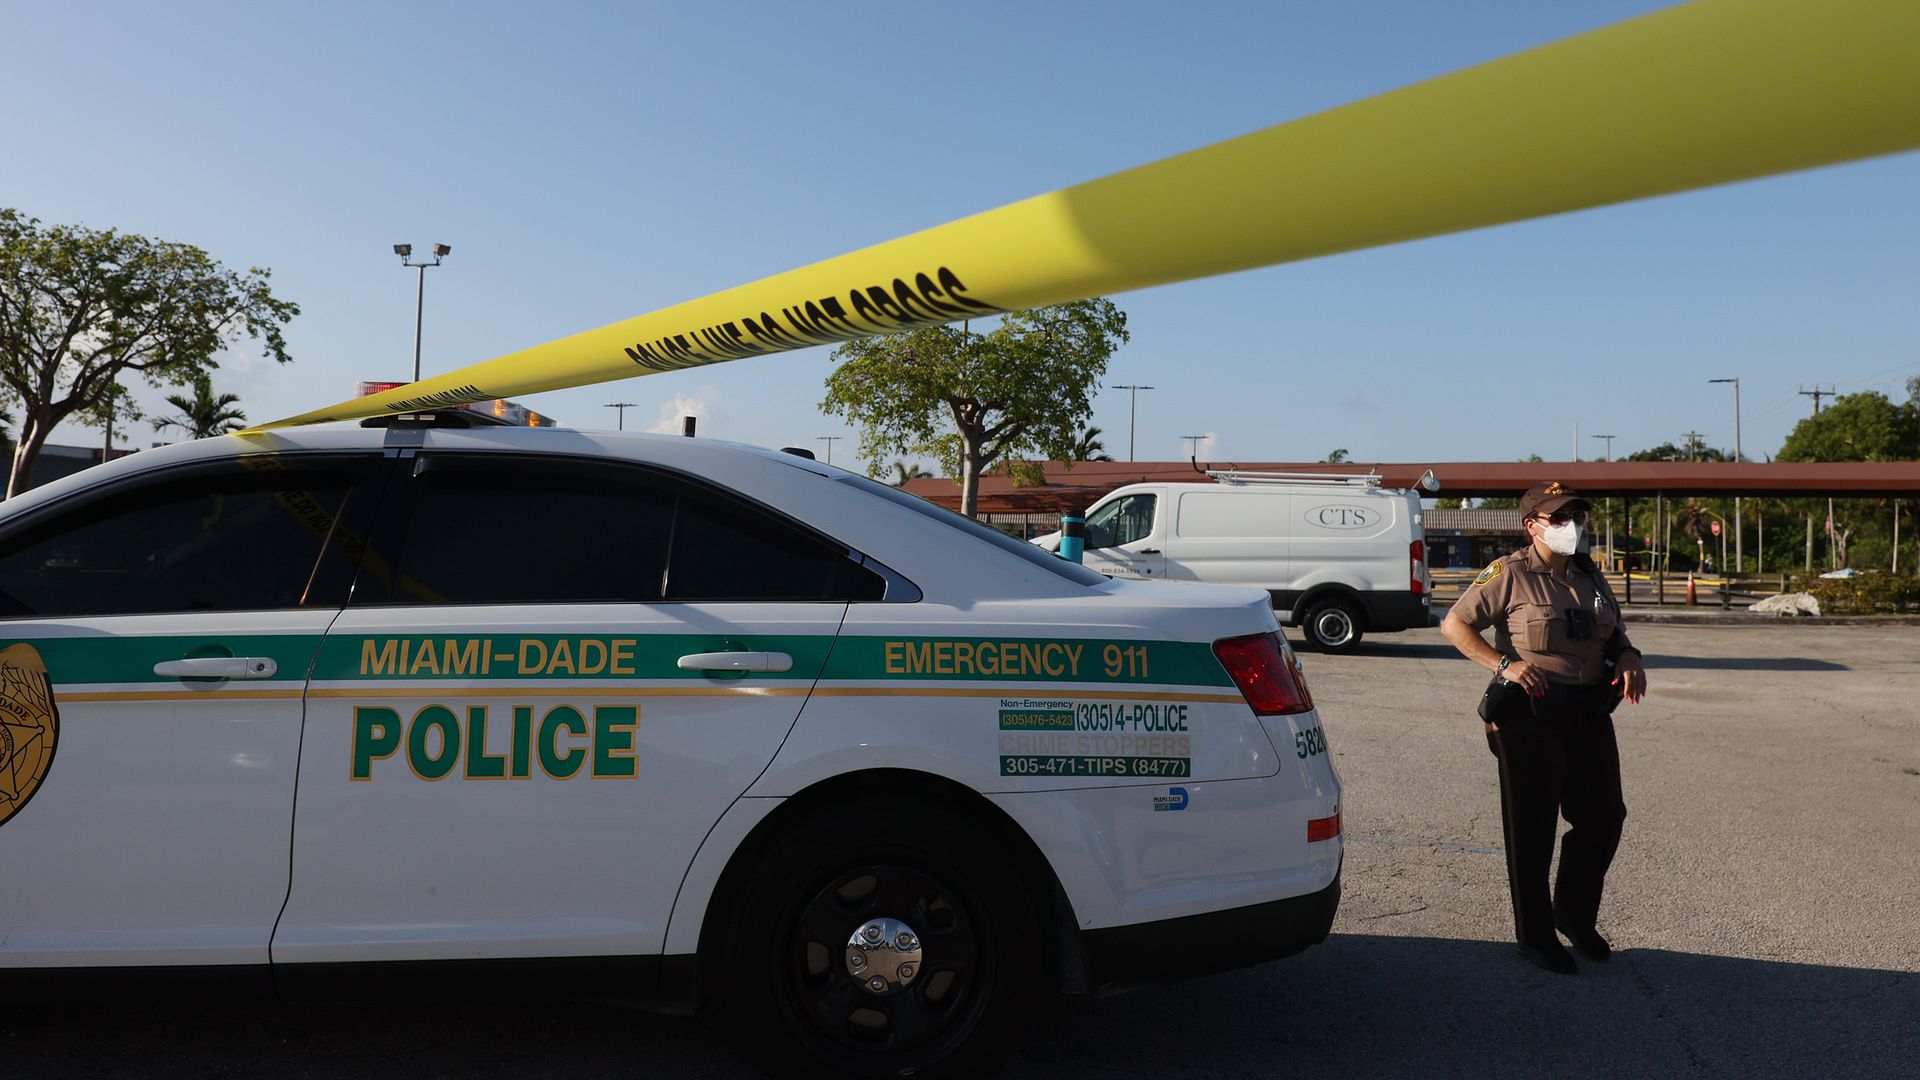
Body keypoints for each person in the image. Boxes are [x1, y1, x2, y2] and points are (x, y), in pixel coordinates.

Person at [1440, 481, 1648, 975]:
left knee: (1603, 817)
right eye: (1558, 519)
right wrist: (1502, 664)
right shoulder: (1508, 573)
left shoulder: (1590, 575)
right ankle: (1535, 935)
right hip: (1529, 712)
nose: (1571, 527)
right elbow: (1455, 624)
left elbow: (1613, 633)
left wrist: (1629, 656)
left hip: (1589, 710)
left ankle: (1572, 915)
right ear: (1532, 525)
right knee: (1533, 828)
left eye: (1576, 518)